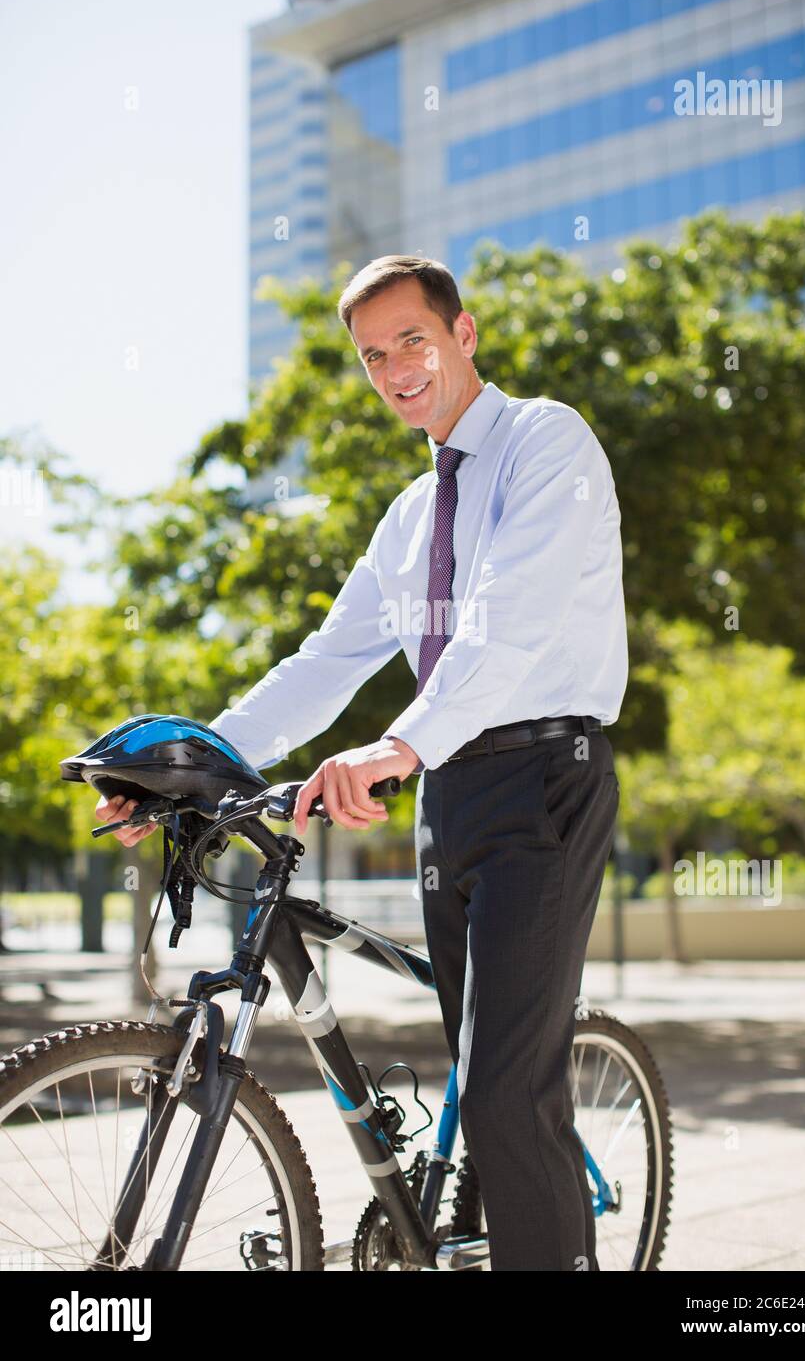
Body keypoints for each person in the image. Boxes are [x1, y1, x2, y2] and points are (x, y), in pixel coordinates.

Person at [98, 253, 628, 1271]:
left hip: (542, 780)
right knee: (481, 1064)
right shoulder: (405, 519)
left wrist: (397, 742)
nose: (395, 370)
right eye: (373, 355)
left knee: (511, 1094)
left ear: (462, 334)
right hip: (449, 793)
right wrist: (193, 761)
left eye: (411, 341)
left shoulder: (542, 441)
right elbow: (328, 660)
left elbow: (500, 630)